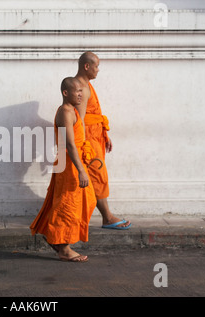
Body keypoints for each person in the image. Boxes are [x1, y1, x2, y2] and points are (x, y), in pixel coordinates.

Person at [30, 77, 97, 262]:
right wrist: (81, 170)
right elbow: (69, 144)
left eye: (82, 92)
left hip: (72, 163)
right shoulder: (66, 112)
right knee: (67, 205)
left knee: (87, 200)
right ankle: (64, 248)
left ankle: (54, 237)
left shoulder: (73, 110)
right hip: (70, 165)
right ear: (66, 93)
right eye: (77, 91)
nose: (80, 95)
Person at [74, 51, 131, 230]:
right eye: (96, 66)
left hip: (96, 136)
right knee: (98, 176)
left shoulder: (86, 85)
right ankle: (107, 217)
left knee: (95, 177)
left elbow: (93, 115)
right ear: (87, 66)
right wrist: (83, 145)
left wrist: (104, 134)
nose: (98, 70)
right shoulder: (81, 87)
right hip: (88, 140)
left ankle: (90, 217)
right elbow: (81, 119)